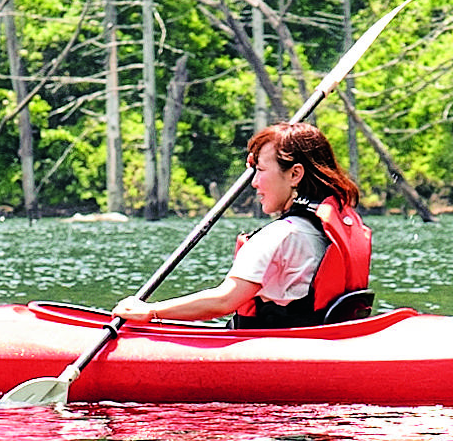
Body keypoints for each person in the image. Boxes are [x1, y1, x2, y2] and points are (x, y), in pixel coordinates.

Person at [112, 123, 374, 329]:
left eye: (260, 170)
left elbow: (223, 301)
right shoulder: (327, 229)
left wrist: (151, 311)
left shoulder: (280, 235)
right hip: (321, 341)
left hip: (276, 354)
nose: (254, 183)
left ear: (295, 174)